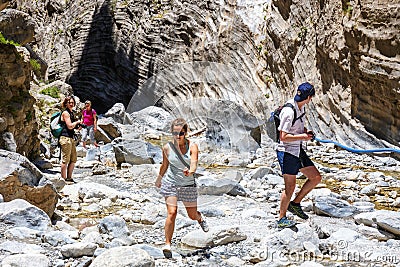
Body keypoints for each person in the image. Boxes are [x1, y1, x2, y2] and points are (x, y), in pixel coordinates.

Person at [155, 118, 209, 256]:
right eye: (175, 133)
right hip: (171, 183)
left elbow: (194, 164)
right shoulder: (167, 148)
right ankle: (167, 244)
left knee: (192, 215)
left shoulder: (193, 146)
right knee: (172, 212)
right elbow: (164, 166)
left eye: (181, 133)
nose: (178, 136)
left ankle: (200, 218)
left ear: (186, 133)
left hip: (188, 185)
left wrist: (190, 172)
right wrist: (159, 179)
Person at [276, 82, 322, 228]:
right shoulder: (289, 112)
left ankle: (295, 204)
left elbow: (296, 128)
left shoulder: (300, 107)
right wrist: (303, 137)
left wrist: (305, 132)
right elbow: (283, 136)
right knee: (290, 187)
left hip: (297, 149)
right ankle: (281, 219)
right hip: (287, 151)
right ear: (309, 97)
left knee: (316, 177)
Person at [59, 96, 81, 182]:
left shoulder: (71, 113)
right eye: (69, 102)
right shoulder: (66, 113)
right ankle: (63, 180)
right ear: (66, 103)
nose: (71, 104)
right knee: (65, 160)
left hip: (70, 138)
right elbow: (70, 126)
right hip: (65, 138)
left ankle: (69, 178)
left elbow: (72, 128)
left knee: (73, 159)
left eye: (72, 102)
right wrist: (77, 122)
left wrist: (78, 127)